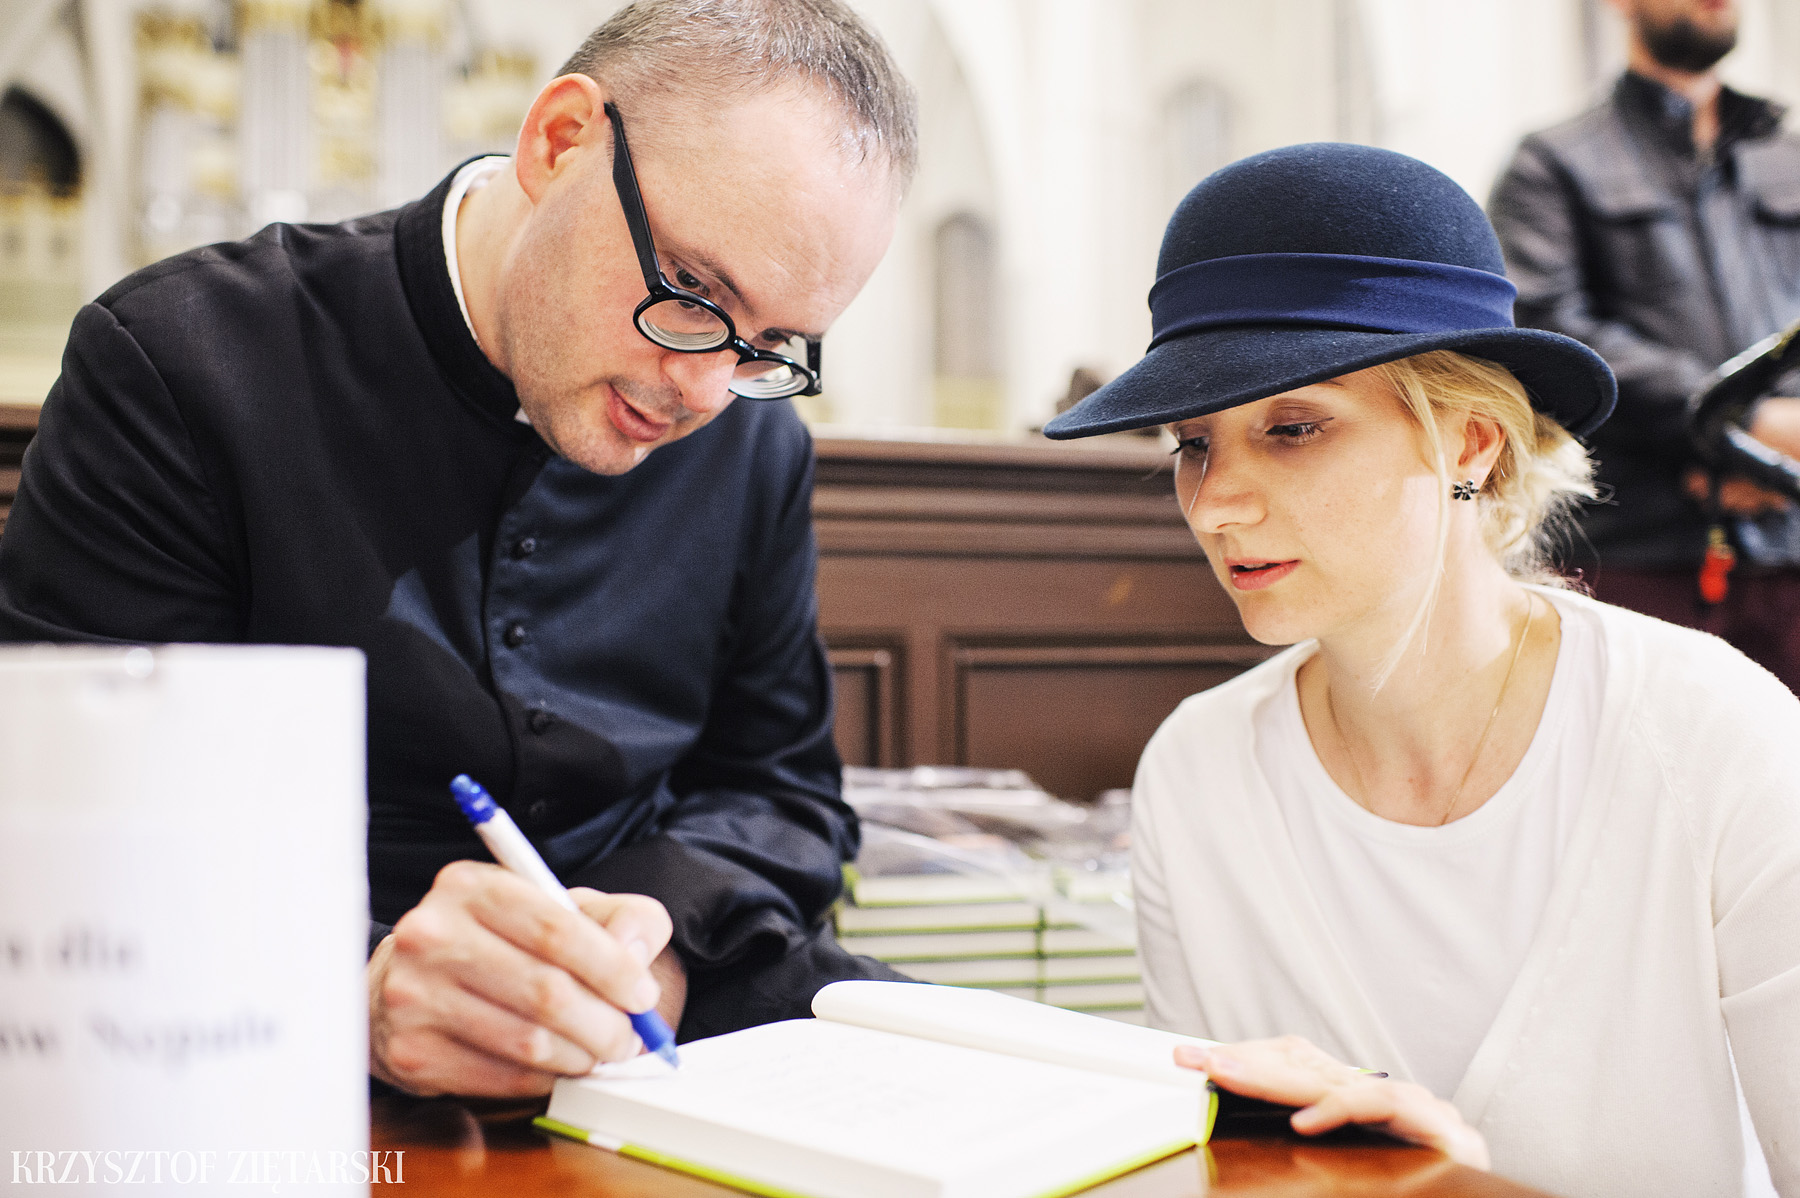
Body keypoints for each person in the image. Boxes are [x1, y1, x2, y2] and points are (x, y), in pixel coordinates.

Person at [0, 0, 916, 1099]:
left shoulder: (755, 441)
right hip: (266, 1061)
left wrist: (652, 947)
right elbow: (79, 846)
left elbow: (784, 795)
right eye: (694, 293)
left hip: (668, 1036)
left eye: (770, 346)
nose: (703, 388)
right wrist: (358, 992)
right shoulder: (181, 367)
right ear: (559, 141)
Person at [1043, 143, 1800, 1196]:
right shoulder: (1199, 774)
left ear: (1471, 445)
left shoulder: (1719, 742)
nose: (1215, 502)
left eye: (1293, 428)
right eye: (1193, 443)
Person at [1489, 0, 1800, 691]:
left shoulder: (1790, 159)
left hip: (1791, 554)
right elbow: (1544, 330)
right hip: (1640, 561)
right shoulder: (1552, 165)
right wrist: (1743, 429)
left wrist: (1785, 446)